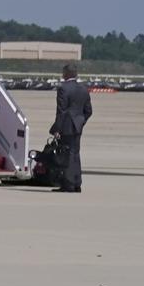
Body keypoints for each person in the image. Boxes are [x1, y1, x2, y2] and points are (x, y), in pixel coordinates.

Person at [52, 60, 93, 191]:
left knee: (67, 154)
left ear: (66, 73)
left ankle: (68, 184)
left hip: (67, 126)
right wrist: (80, 121)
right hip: (78, 126)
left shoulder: (63, 88)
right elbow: (88, 111)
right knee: (75, 154)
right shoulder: (83, 89)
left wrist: (57, 129)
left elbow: (61, 111)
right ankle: (77, 183)